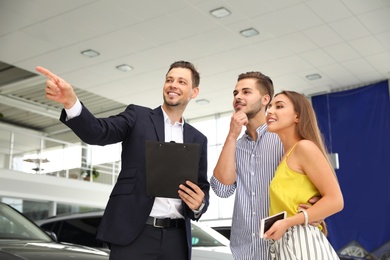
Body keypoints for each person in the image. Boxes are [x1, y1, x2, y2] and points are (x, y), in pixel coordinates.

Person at [36, 61, 210, 260]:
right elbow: (98, 132)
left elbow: (202, 186)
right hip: (135, 235)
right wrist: (71, 103)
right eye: (169, 80)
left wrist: (199, 204)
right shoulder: (138, 116)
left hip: (177, 240)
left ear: (194, 92)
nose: (173, 85)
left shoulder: (198, 139)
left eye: (181, 82)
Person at [211, 72, 319, 260]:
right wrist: (231, 136)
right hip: (244, 249)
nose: (238, 97)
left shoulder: (283, 139)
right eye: (235, 93)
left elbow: (318, 187)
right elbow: (222, 189)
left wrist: (316, 207)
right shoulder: (235, 145)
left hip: (282, 245)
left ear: (265, 99)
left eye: (246, 92)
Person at [264, 90, 343, 259]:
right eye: (269, 106)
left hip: (301, 241)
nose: (270, 111)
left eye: (279, 106)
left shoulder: (304, 147)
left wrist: (289, 221)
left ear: (297, 117)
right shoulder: (284, 158)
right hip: (283, 243)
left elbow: (336, 200)